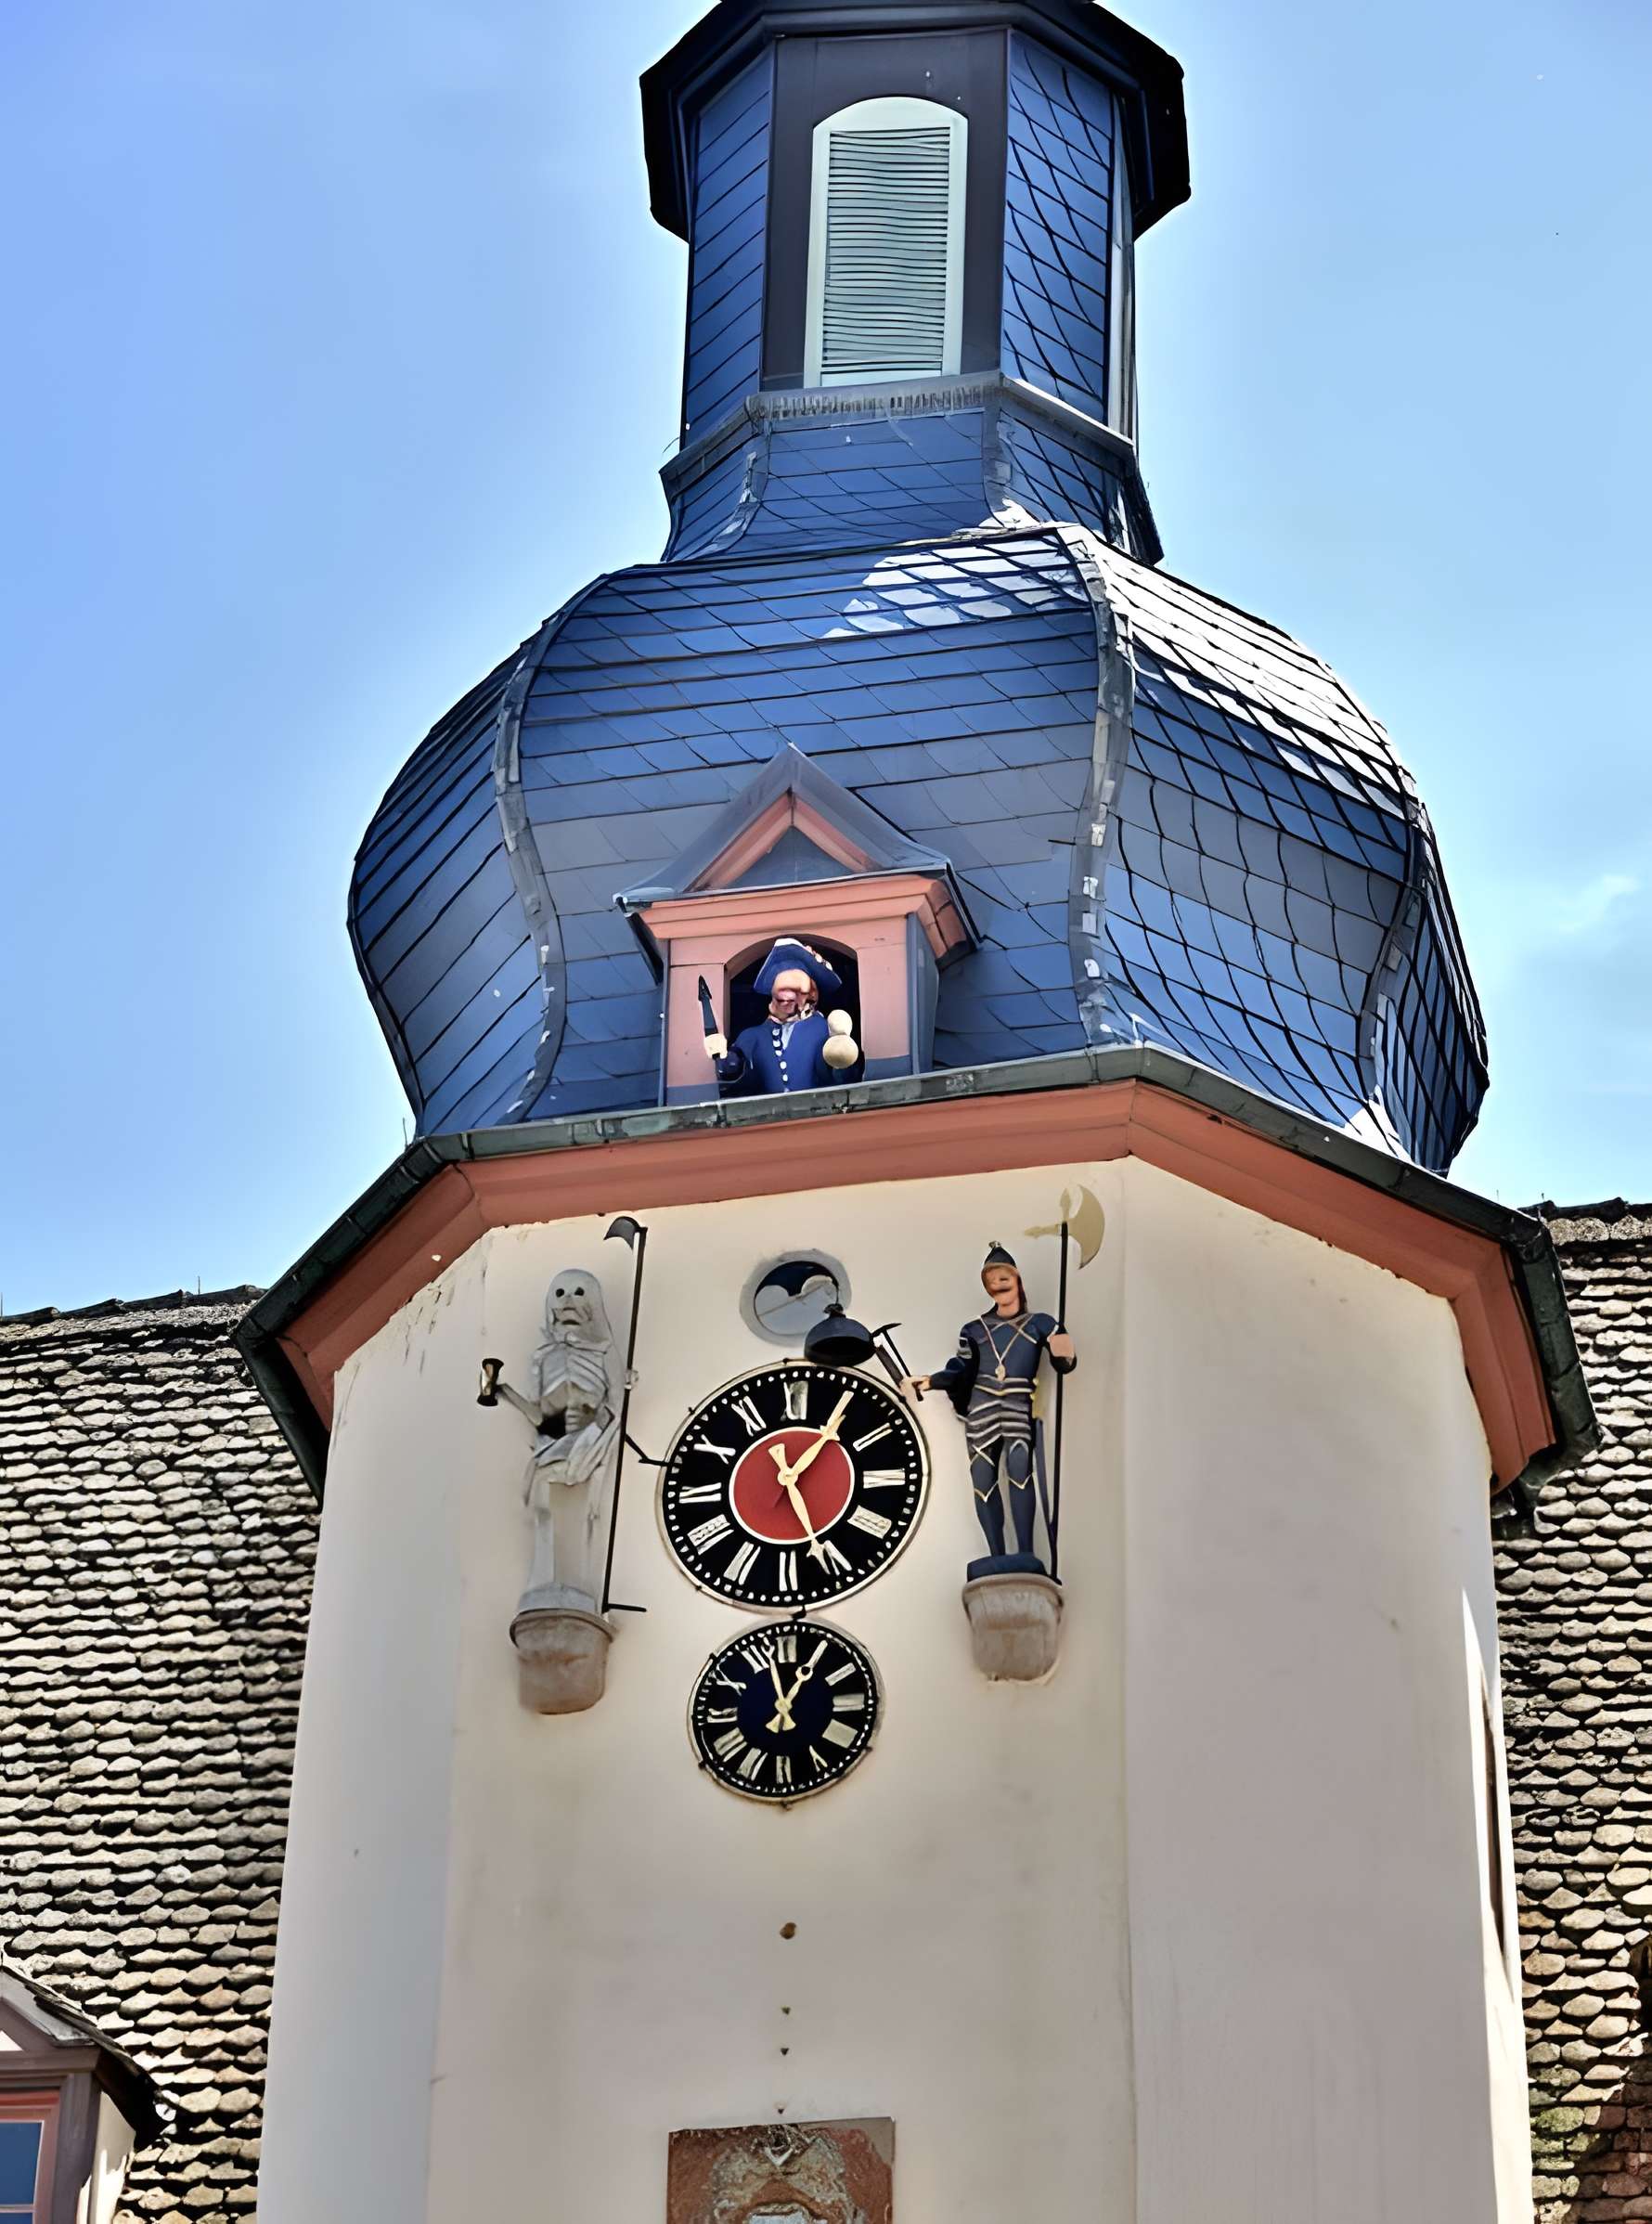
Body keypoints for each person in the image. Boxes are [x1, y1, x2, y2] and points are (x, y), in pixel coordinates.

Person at [904, 1244, 1076, 1572]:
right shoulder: (975, 1330)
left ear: (1017, 1279)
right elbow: (959, 1368)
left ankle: (1025, 1551)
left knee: (1019, 1469)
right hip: (982, 1406)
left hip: (1016, 1402)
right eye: (991, 1280)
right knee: (983, 1480)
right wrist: (930, 1381)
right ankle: (997, 1555)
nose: (998, 1284)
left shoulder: (1041, 1324)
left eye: (1003, 1276)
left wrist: (1064, 1350)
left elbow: (1063, 1362)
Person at [704, 937, 861, 1095]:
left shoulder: (823, 1030)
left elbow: (844, 1083)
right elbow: (736, 1079)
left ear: (812, 994)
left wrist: (841, 1057)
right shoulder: (752, 1037)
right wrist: (723, 1056)